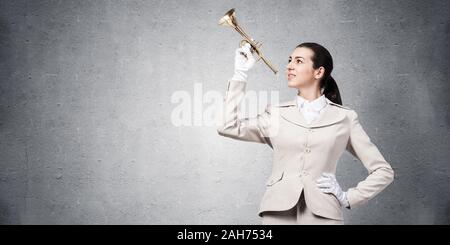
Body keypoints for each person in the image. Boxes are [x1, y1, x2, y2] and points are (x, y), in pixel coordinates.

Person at [217, 42, 395, 225]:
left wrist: (348, 197)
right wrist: (240, 74)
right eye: (289, 60)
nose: (289, 65)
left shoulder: (345, 117)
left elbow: (383, 171)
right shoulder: (276, 114)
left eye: (298, 61)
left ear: (319, 72)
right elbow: (227, 126)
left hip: (325, 215)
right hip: (277, 213)